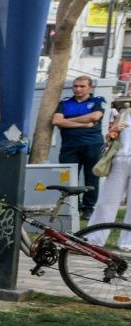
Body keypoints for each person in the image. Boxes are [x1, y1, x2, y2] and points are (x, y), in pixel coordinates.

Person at [53, 76, 107, 220]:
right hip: (69, 146)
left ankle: (88, 209)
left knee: (92, 177)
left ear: (90, 88)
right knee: (68, 178)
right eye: (75, 86)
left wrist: (67, 120)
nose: (78, 89)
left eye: (82, 86)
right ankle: (73, 207)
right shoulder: (65, 102)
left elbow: (95, 116)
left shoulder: (98, 101)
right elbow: (56, 120)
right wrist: (83, 123)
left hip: (93, 145)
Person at [91, 101, 131, 240]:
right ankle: (95, 238)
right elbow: (110, 137)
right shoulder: (124, 113)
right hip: (120, 159)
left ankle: (128, 242)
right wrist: (115, 130)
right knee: (107, 200)